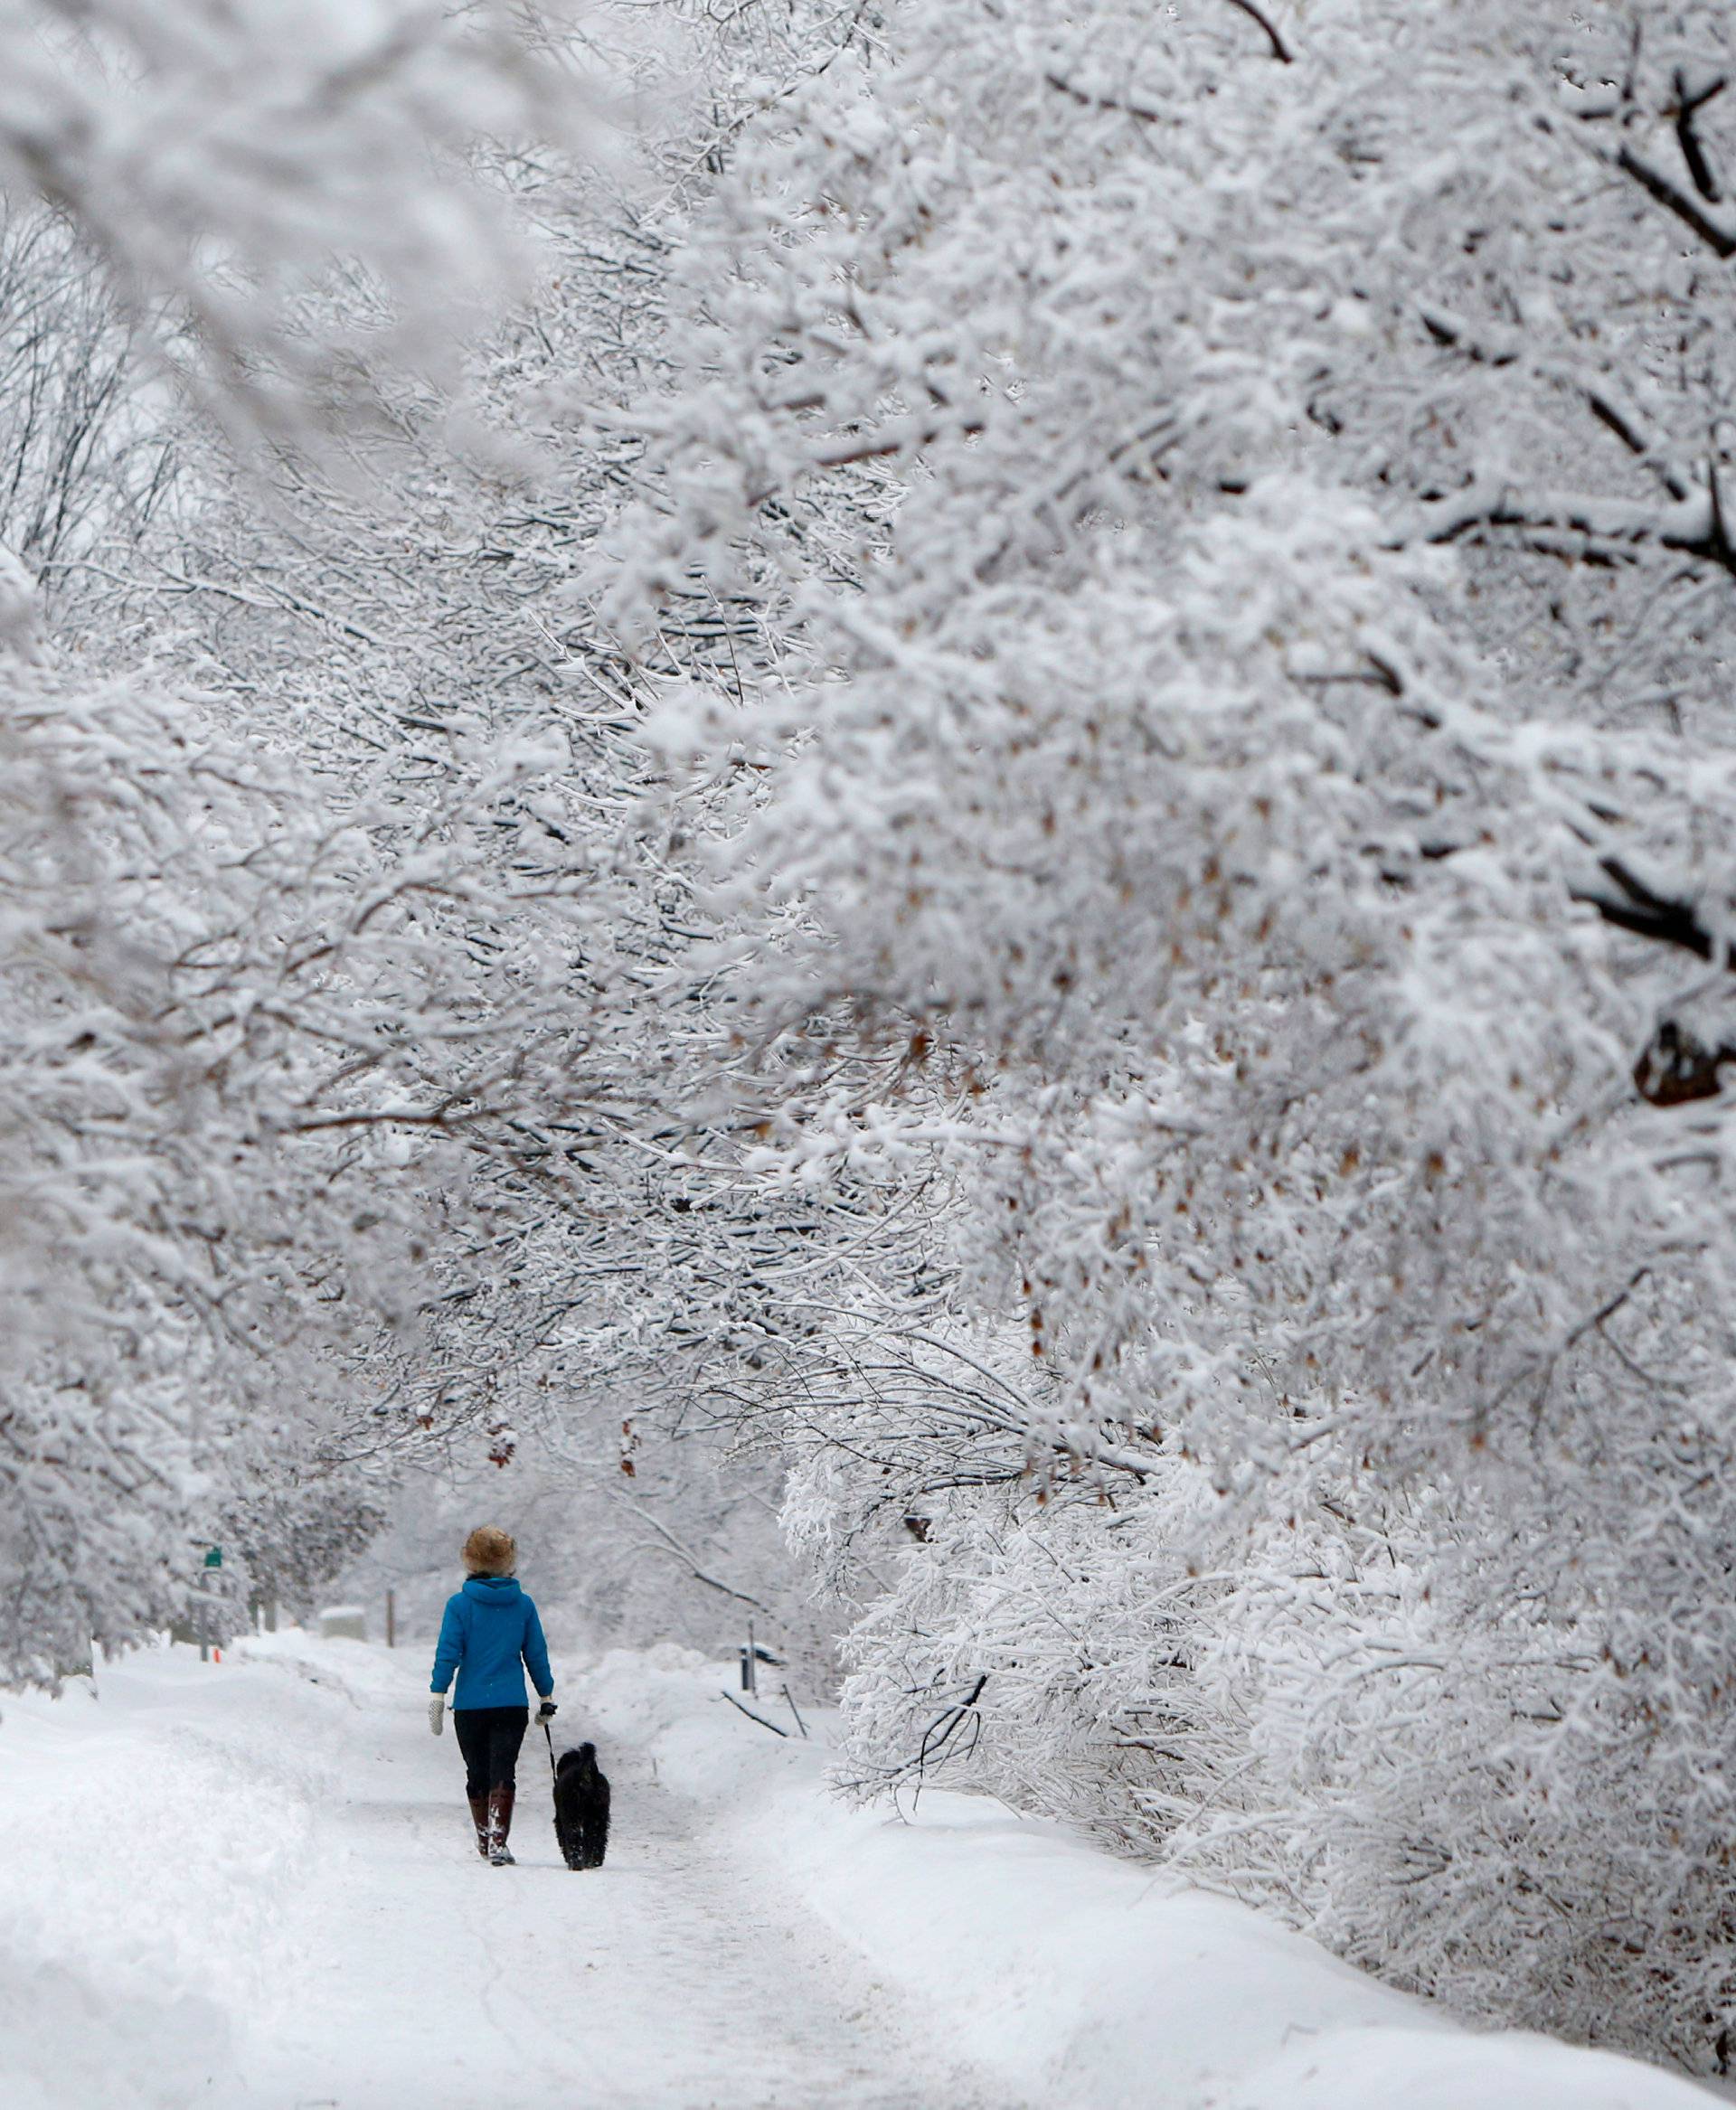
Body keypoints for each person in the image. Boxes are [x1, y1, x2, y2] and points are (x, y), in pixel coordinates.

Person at [428, 1525, 556, 1865]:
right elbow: (536, 1654)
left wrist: (438, 1694)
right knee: (504, 1770)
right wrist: (546, 1695)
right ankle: (499, 1840)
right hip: (511, 1702)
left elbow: (448, 1652)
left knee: (476, 1772)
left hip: (470, 1705)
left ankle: (485, 1838)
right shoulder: (523, 1605)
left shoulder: (459, 1605)